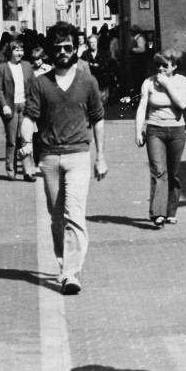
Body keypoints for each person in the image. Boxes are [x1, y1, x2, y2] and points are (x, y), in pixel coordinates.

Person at [19, 23, 107, 295]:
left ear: (75, 48)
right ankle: (63, 261)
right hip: (49, 158)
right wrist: (25, 143)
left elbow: (98, 120)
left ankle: (71, 273)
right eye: (57, 48)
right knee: (56, 217)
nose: (63, 52)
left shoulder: (88, 82)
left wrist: (101, 157)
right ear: (50, 51)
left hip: (79, 154)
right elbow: (29, 118)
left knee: (74, 214)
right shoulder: (40, 83)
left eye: (68, 47)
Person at [135, 49, 186, 229]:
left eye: (165, 65)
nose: (160, 68)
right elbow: (142, 106)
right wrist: (138, 131)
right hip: (155, 130)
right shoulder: (148, 82)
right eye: (158, 64)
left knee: (173, 173)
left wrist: (167, 85)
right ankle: (158, 213)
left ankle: (170, 212)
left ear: (174, 66)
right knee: (158, 171)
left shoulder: (182, 81)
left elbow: (182, 103)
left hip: (176, 131)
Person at [0, 40, 35, 181]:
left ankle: (28, 171)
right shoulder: (2, 68)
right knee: (12, 140)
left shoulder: (27, 66)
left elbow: (33, 85)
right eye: (17, 50)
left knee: (26, 139)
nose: (20, 53)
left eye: (21, 50)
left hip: (25, 105)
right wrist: (4, 105)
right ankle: (11, 169)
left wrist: (32, 104)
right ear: (10, 52)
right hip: (10, 107)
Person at [80, 34, 114, 106]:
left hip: (102, 81)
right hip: (91, 81)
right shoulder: (85, 54)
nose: (93, 44)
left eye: (94, 42)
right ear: (88, 44)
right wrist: (92, 66)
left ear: (97, 42)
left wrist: (96, 66)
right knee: (92, 103)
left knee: (102, 102)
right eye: (91, 42)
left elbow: (107, 65)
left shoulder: (104, 53)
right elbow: (83, 65)